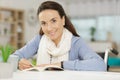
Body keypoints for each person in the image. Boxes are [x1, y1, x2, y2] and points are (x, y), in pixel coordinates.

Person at [13, 1, 107, 71]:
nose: (49, 28)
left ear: (63, 20)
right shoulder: (39, 39)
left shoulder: (75, 42)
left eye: (53, 21)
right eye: (44, 23)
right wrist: (18, 63)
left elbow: (99, 64)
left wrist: (61, 64)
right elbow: (13, 57)